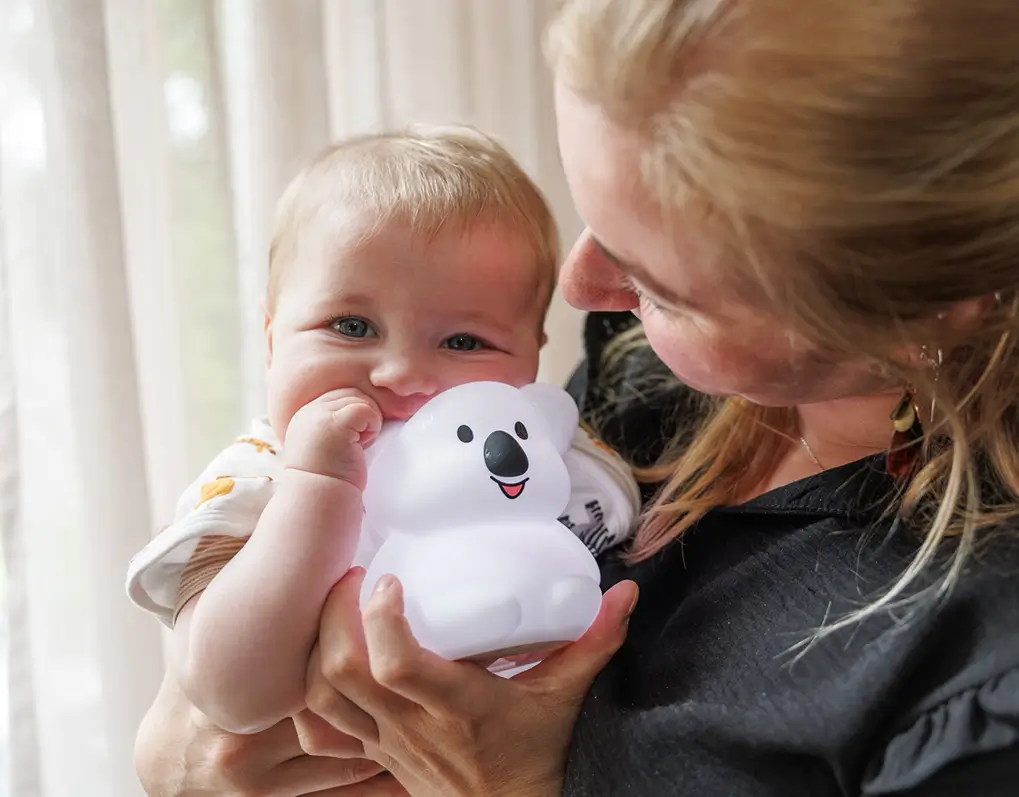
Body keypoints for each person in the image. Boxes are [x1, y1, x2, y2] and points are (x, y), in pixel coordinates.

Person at [134, 1, 1019, 795]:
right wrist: (181, 757)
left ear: (913, 316)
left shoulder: (972, 677)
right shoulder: (638, 378)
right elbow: (199, 729)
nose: (580, 286)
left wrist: (515, 784)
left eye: (662, 283)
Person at [125, 123, 639, 735]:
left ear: (531, 358)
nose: (400, 375)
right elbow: (232, 694)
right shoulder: (256, 482)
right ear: (271, 342)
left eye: (462, 341)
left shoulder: (556, 464)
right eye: (350, 326)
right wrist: (318, 488)